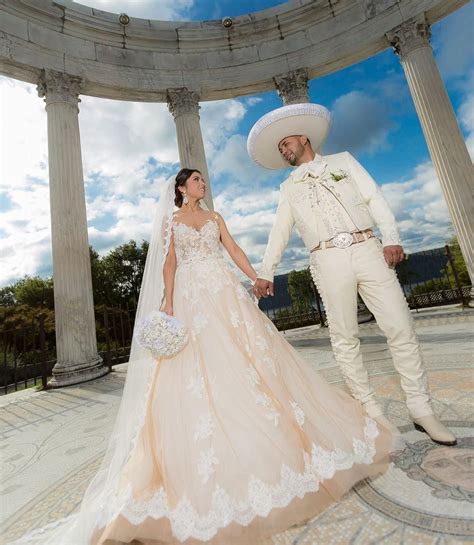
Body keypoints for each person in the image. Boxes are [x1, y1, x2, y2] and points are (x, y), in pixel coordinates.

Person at [10, 168, 391, 545]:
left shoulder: (214, 217)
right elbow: (169, 263)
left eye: (203, 180)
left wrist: (256, 275)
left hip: (224, 290)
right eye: (196, 181)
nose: (203, 184)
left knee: (253, 361)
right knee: (197, 371)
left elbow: (234, 249)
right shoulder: (171, 221)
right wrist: (170, 302)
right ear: (181, 188)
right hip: (192, 297)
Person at [248, 102, 457, 448]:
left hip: (367, 249)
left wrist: (391, 238)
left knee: (400, 326)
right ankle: (370, 411)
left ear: (303, 138)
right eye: (280, 149)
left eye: (286, 143)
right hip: (327, 260)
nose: (283, 151)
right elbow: (279, 232)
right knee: (345, 338)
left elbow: (374, 197)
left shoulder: (343, 162)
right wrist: (266, 272)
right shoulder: (288, 188)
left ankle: (421, 409)